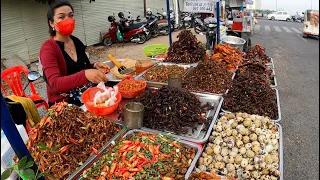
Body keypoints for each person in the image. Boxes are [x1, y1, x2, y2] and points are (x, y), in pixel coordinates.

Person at [40, 0, 109, 107]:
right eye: (61, 17)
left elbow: (80, 68)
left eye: (70, 15)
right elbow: (55, 84)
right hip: (64, 103)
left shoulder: (76, 42)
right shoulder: (48, 48)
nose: (68, 20)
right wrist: (86, 74)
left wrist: (94, 66)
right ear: (51, 23)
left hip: (84, 94)